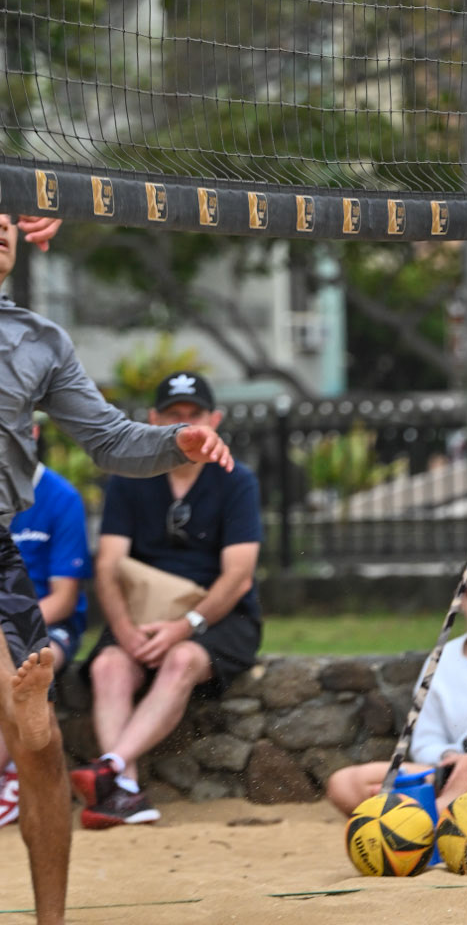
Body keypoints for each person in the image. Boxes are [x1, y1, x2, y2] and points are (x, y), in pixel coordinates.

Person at [0, 214, 231, 925]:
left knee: (41, 750)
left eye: (3, 221)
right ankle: (18, 703)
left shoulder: (38, 340)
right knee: (19, 712)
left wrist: (177, 442)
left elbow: (109, 439)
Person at [74, 369, 261, 830]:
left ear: (213, 418)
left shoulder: (238, 480)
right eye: (173, 415)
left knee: (180, 660)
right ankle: (126, 792)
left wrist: (186, 625)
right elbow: (108, 565)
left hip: (216, 618)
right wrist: (124, 632)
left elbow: (238, 576)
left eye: (194, 415)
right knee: (107, 665)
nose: (185, 424)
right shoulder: (127, 479)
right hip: (139, 614)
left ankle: (110, 766)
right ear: (153, 419)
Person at [326, 554, 467, 815]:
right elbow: (424, 742)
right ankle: (425, 817)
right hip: (450, 772)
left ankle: (417, 823)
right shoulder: (442, 659)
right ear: (461, 597)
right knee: (343, 784)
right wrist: (450, 760)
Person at [0, 441, 92, 827]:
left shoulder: (60, 497)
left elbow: (65, 598)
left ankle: (17, 777)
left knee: (21, 670)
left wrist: (11, 634)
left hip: (49, 625)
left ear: (30, 430)